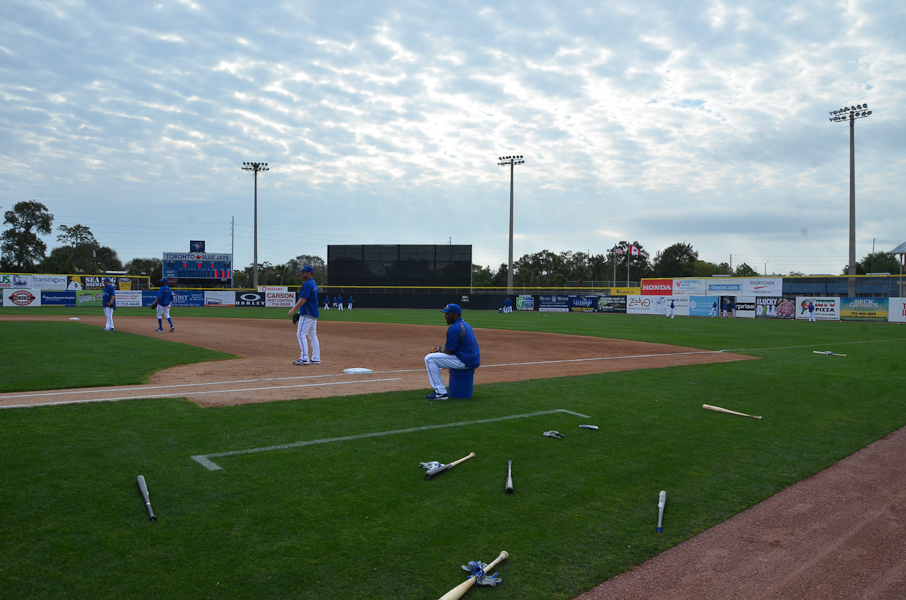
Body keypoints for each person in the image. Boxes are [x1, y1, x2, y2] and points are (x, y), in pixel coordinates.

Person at [424, 303, 480, 400]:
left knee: (429, 359)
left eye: (447, 314)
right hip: (470, 359)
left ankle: (440, 393)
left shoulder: (455, 328)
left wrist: (438, 353)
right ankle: (440, 392)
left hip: (465, 361)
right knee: (434, 358)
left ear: (455, 315)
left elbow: (449, 352)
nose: (445, 316)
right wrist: (441, 352)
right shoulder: (464, 324)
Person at [288, 265, 320, 365]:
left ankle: (304, 358)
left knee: (300, 334)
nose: (302, 274)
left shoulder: (307, 284)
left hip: (307, 314)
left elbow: (303, 299)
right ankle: (316, 358)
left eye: (304, 272)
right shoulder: (313, 283)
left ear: (309, 273)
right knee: (312, 336)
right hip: (313, 313)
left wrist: (293, 309)